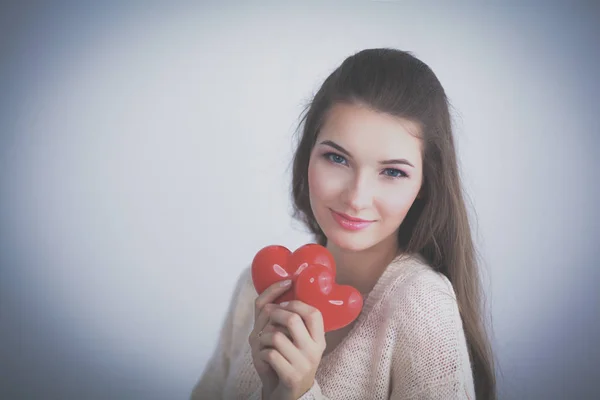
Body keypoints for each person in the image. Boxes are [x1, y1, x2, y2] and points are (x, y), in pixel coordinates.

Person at [190, 48, 497, 400]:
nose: (356, 197)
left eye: (393, 172)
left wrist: (299, 393)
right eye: (337, 158)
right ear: (308, 154)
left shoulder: (422, 306)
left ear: (425, 185)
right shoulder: (255, 287)